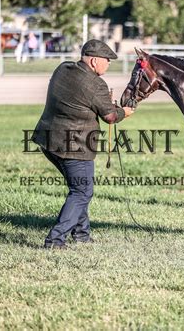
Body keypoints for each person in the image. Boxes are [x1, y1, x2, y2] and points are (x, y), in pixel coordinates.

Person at [32, 39, 134, 249]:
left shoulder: (63, 68)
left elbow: (79, 99)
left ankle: (81, 234)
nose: (108, 64)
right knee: (82, 191)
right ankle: (55, 239)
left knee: (78, 188)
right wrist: (124, 111)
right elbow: (110, 117)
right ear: (94, 61)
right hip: (73, 147)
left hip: (47, 140)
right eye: (107, 60)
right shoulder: (96, 84)